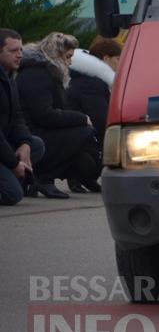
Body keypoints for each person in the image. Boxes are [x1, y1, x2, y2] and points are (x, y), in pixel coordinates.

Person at [17, 33, 100, 197]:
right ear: (56, 54)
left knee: (85, 137)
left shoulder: (45, 73)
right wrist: (81, 118)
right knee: (84, 132)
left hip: (37, 131)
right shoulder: (37, 74)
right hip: (33, 135)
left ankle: (82, 175)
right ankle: (44, 177)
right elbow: (45, 115)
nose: (70, 63)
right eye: (68, 57)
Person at [0, 28, 44, 206]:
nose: (19, 55)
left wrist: (25, 144)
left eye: (20, 50)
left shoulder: (9, 77)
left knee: (36, 145)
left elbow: (17, 117)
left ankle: (11, 177)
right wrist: (13, 163)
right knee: (12, 195)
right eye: (13, 51)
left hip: (3, 144)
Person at [67, 36, 122, 141]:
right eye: (118, 59)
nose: (121, 63)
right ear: (106, 59)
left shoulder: (90, 80)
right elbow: (102, 122)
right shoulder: (92, 84)